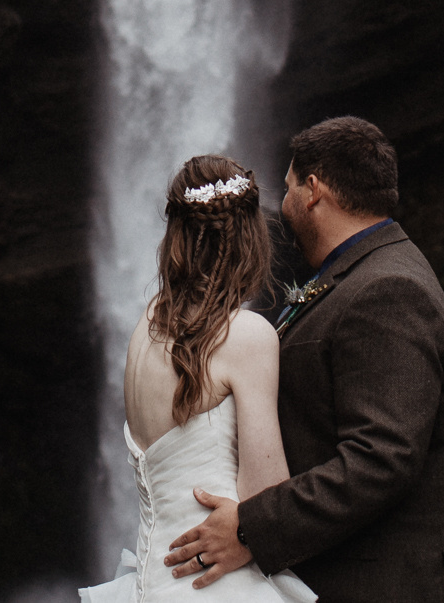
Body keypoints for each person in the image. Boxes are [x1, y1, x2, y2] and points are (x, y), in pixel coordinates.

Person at [163, 117, 444, 603]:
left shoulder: (388, 291)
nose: (281, 207)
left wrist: (249, 528)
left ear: (313, 191)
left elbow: (382, 458)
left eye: (287, 189)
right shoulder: (360, 276)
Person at [81, 156, 314, 603]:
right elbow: (269, 499)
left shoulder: (143, 329)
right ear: (251, 239)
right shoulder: (246, 336)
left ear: (176, 236)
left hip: (152, 584)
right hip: (220, 584)